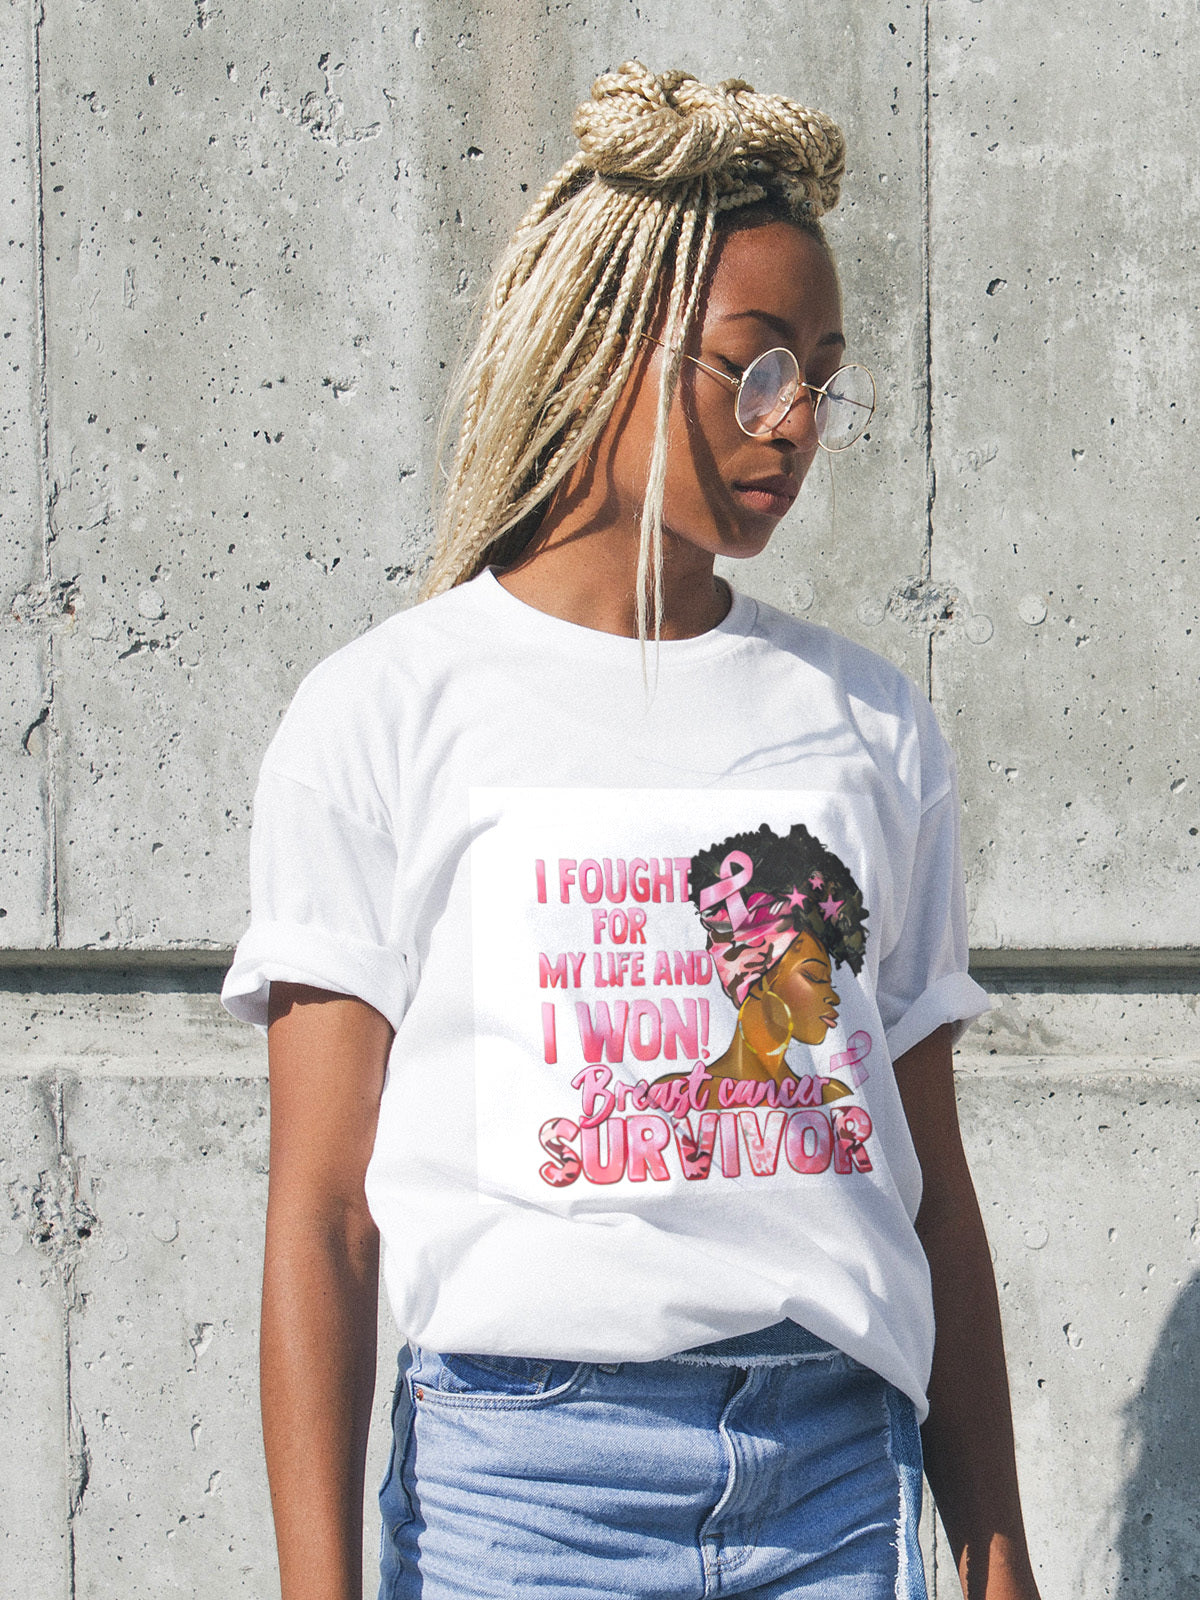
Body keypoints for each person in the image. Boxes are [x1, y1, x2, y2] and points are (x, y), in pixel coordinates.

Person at [221, 60, 1043, 1600]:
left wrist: (993, 1549)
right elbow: (325, 1220)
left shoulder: (869, 725)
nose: (791, 422)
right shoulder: (388, 711)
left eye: (822, 374)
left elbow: (933, 1188)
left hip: (833, 1485)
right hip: (522, 1499)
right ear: (606, 346)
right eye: (752, 365)